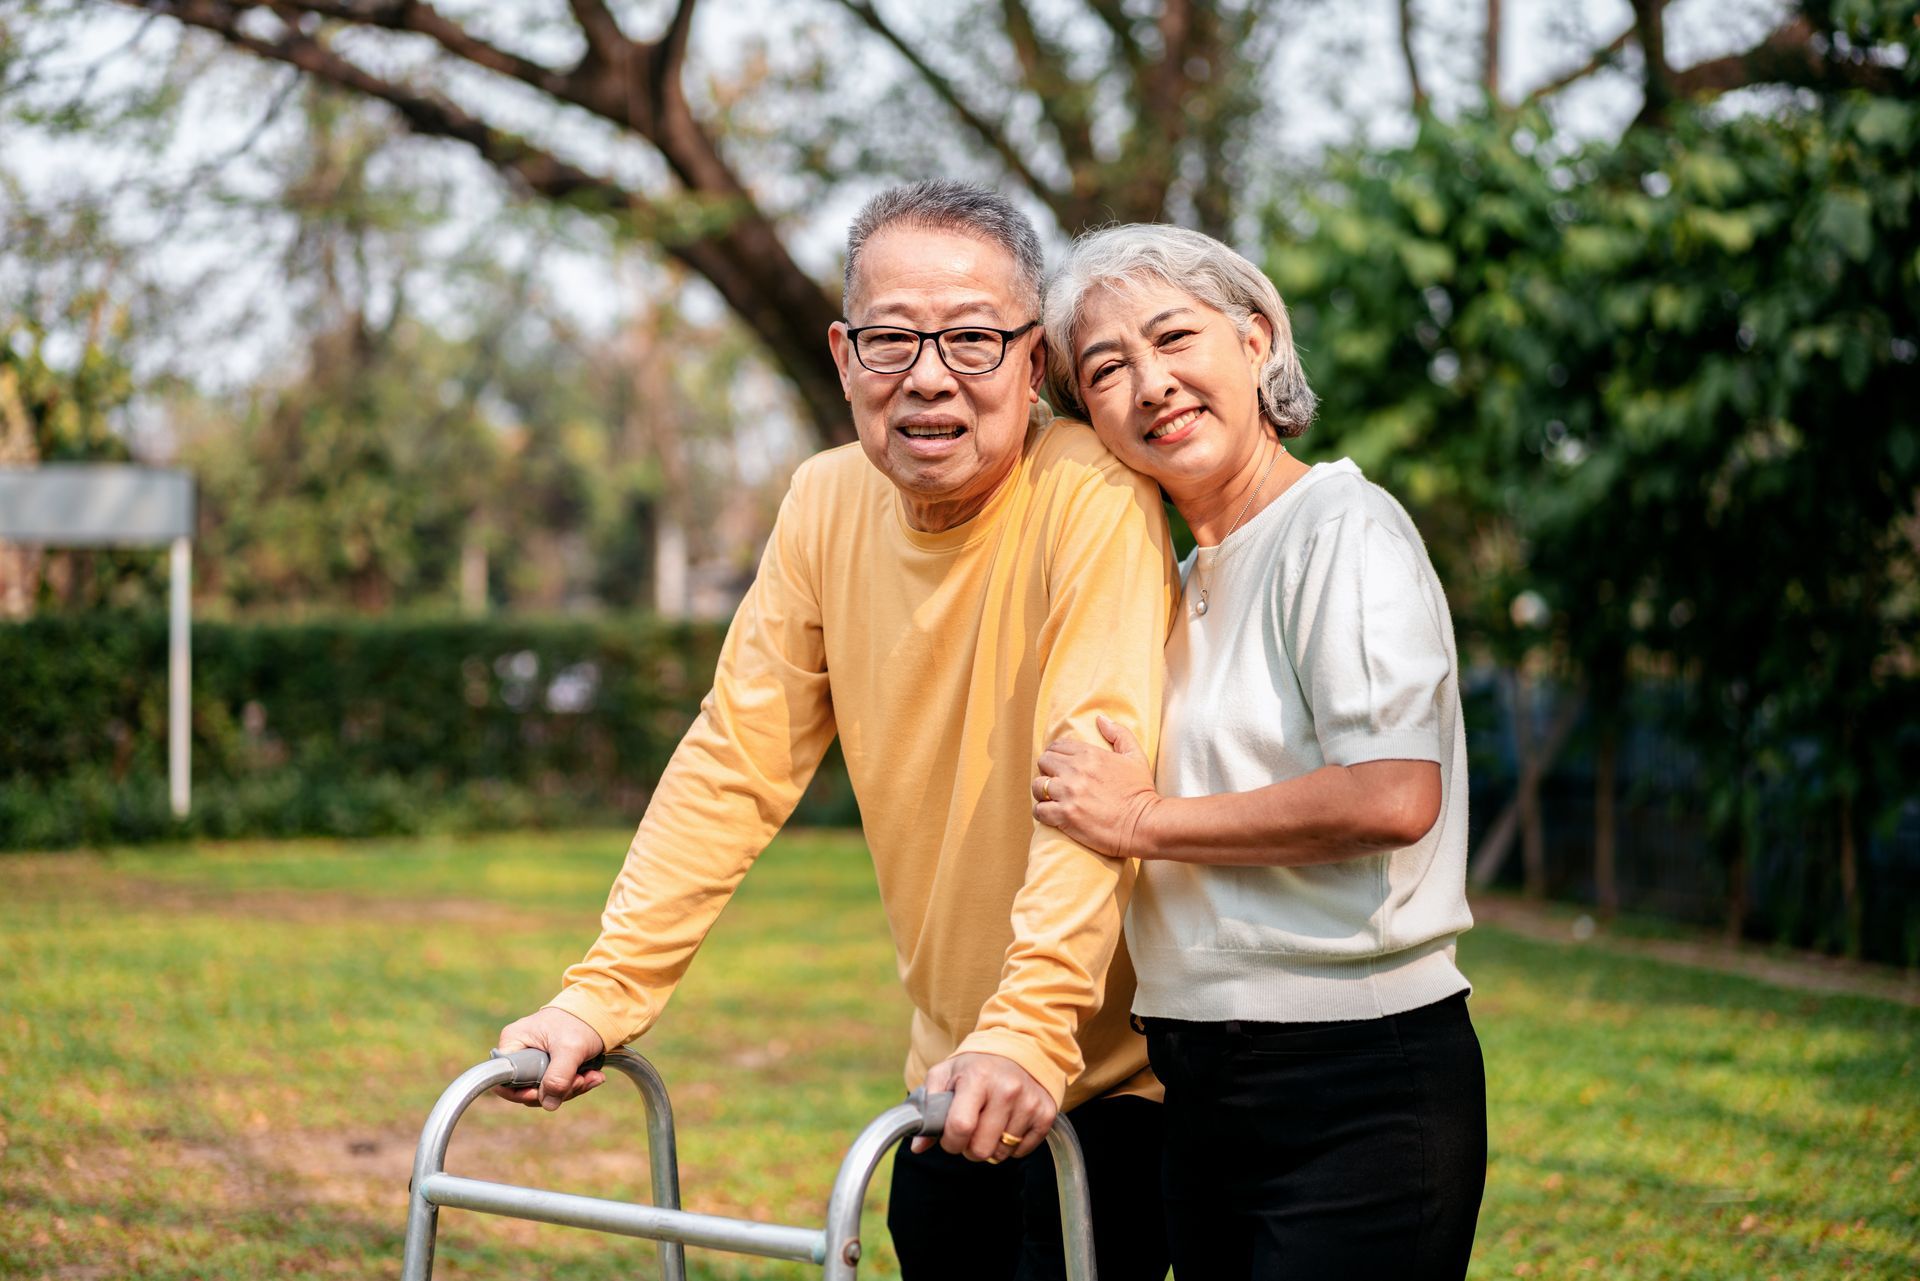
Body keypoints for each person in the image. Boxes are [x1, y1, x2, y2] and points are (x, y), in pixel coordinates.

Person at [493, 182, 1177, 1281]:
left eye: (972, 338)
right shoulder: (824, 502)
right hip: (949, 1073)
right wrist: (602, 993)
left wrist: (1028, 1028)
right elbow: (735, 761)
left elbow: (1093, 772)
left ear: (1034, 361)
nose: (929, 377)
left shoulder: (1089, 495)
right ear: (844, 356)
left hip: (1109, 1082)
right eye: (892, 338)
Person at [1030, 223, 1487, 1280]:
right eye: (1106, 369)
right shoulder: (1179, 580)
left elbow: (1391, 794)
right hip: (1197, 1081)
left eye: (1173, 337)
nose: (1152, 383)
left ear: (1255, 341)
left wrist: (1141, 819)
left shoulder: (1341, 529)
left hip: (1357, 1077)